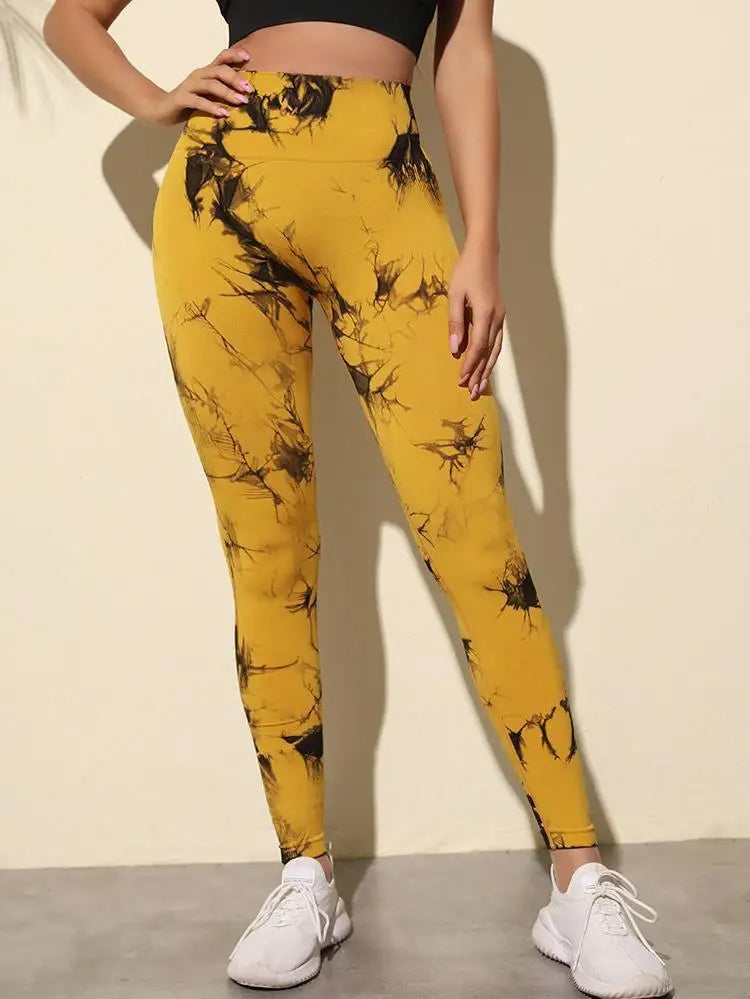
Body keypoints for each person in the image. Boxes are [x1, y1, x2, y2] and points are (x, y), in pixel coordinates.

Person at [43, 1, 672, 995]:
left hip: (388, 190)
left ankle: (578, 878)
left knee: (475, 541)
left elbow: (464, 55)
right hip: (220, 200)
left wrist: (481, 246)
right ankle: (306, 873)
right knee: (266, 547)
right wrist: (158, 100)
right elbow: (70, 18)